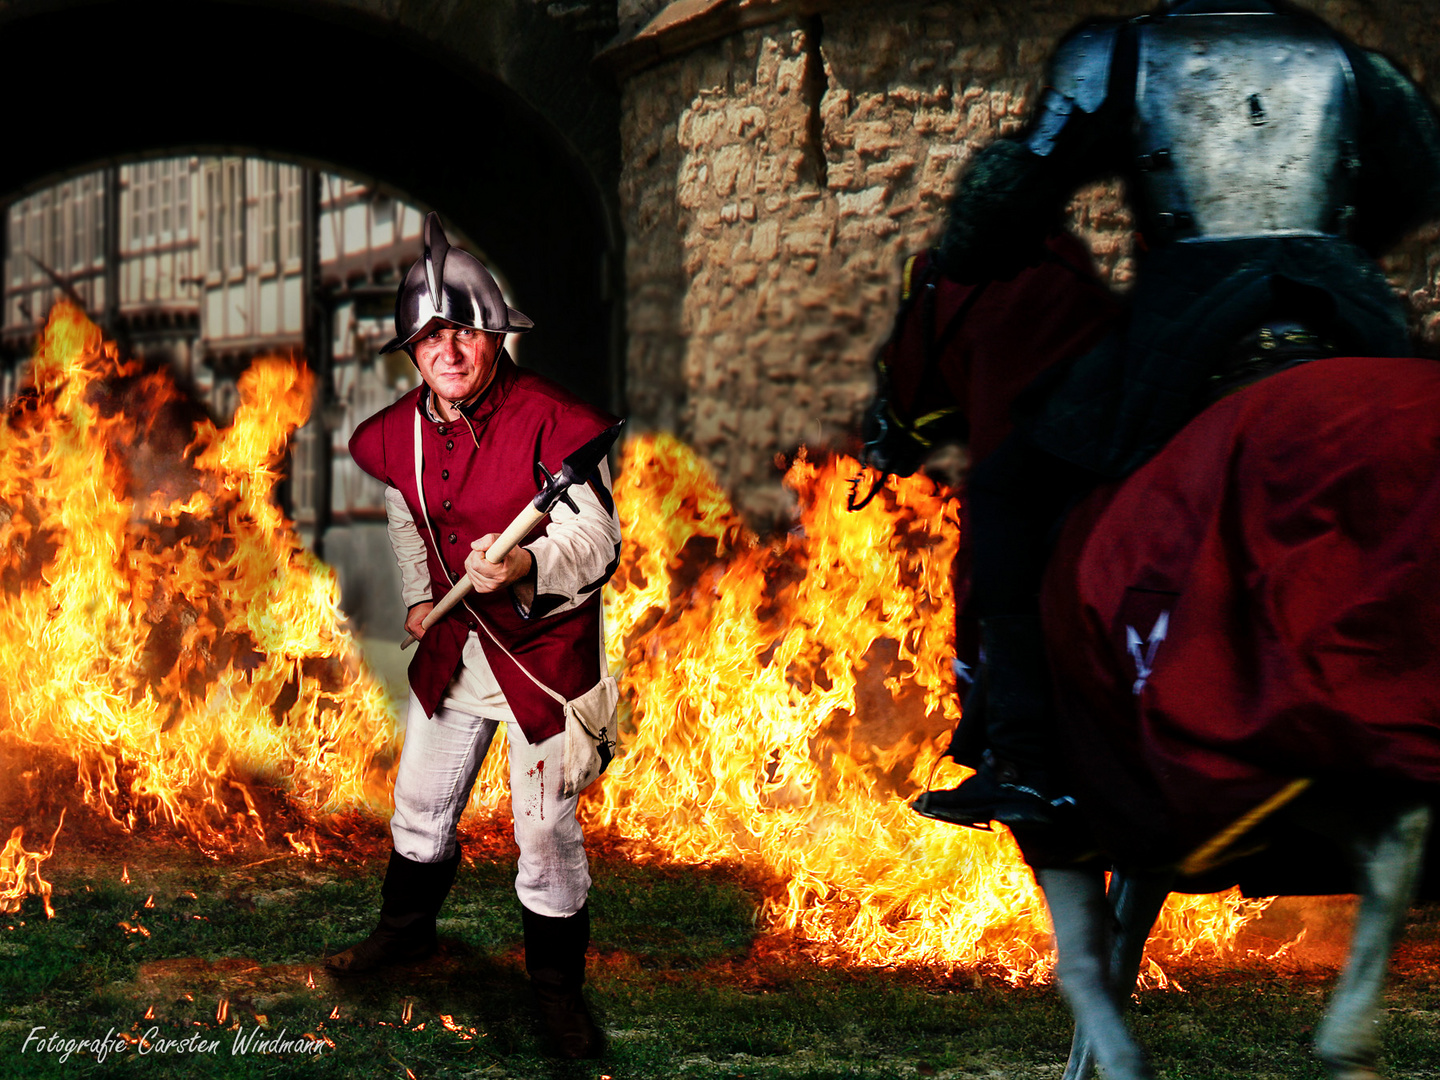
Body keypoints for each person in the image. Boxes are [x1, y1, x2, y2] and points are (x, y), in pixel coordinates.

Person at [911, 0, 1440, 831]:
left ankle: (1027, 760)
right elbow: (1419, 172)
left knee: (1010, 488)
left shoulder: (1117, 52)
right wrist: (1326, 242)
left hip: (1195, 319)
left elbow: (1009, 197)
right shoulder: (1339, 58)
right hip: (1349, 308)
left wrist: (977, 243)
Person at [324, 213, 621, 1061]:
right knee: (418, 806)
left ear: (492, 333)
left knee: (544, 839)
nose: (446, 351)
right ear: (412, 351)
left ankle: (558, 997)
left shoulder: (553, 422)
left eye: (461, 331)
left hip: (542, 662)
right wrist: (422, 599)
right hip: (456, 649)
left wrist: (526, 563)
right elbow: (407, 512)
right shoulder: (403, 432)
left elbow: (597, 541)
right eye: (428, 338)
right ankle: (406, 934)